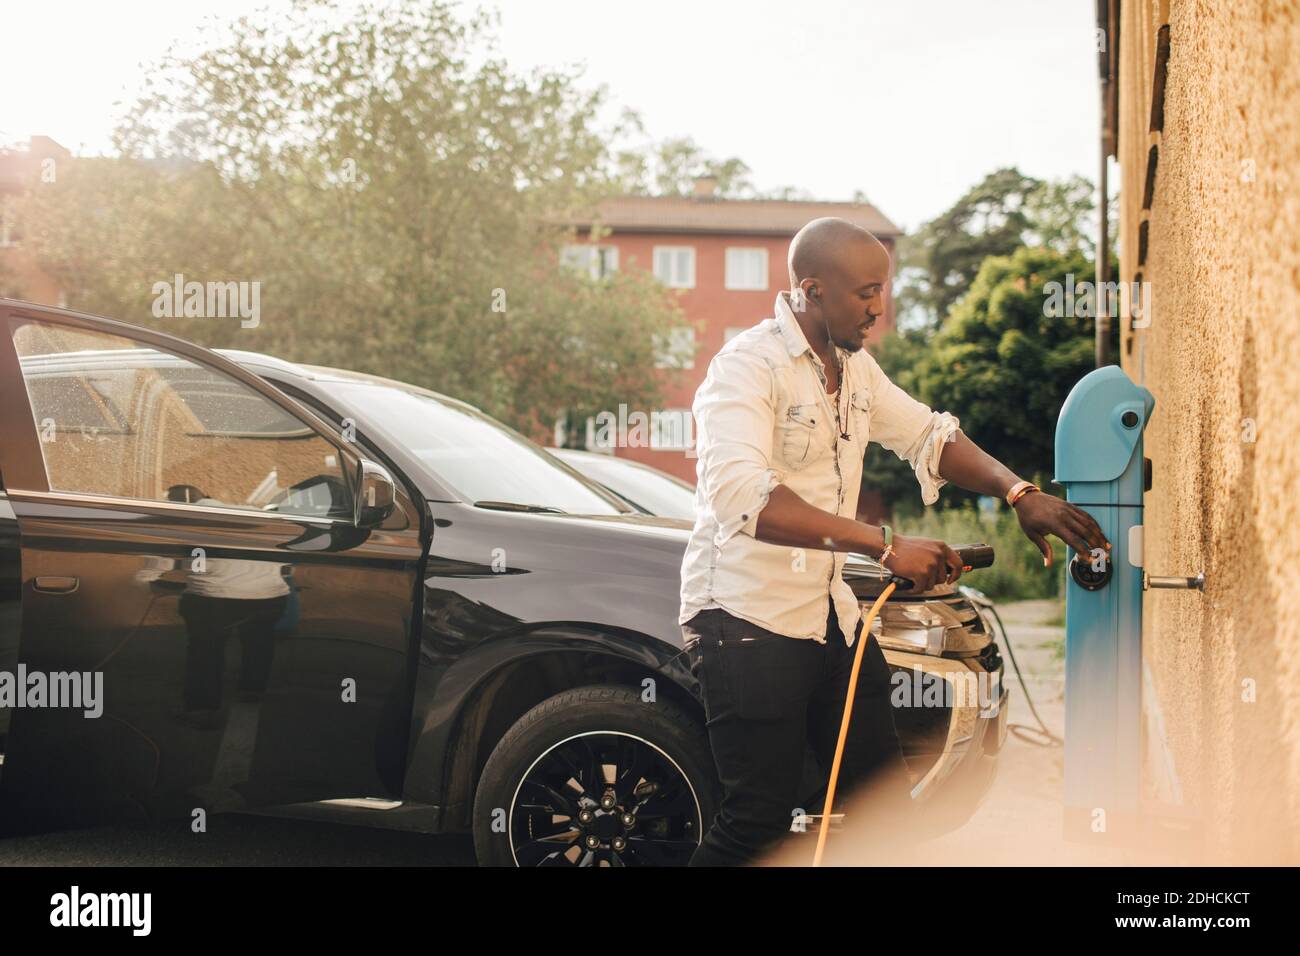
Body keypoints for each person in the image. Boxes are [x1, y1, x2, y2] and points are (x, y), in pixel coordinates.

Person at [680, 216, 1109, 866]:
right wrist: (884, 544)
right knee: (757, 824)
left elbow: (930, 435)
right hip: (744, 623)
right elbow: (742, 497)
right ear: (812, 290)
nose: (880, 309)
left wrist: (1019, 492)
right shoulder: (746, 369)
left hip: (833, 624)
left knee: (883, 809)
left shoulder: (857, 372)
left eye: (884, 290)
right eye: (866, 292)